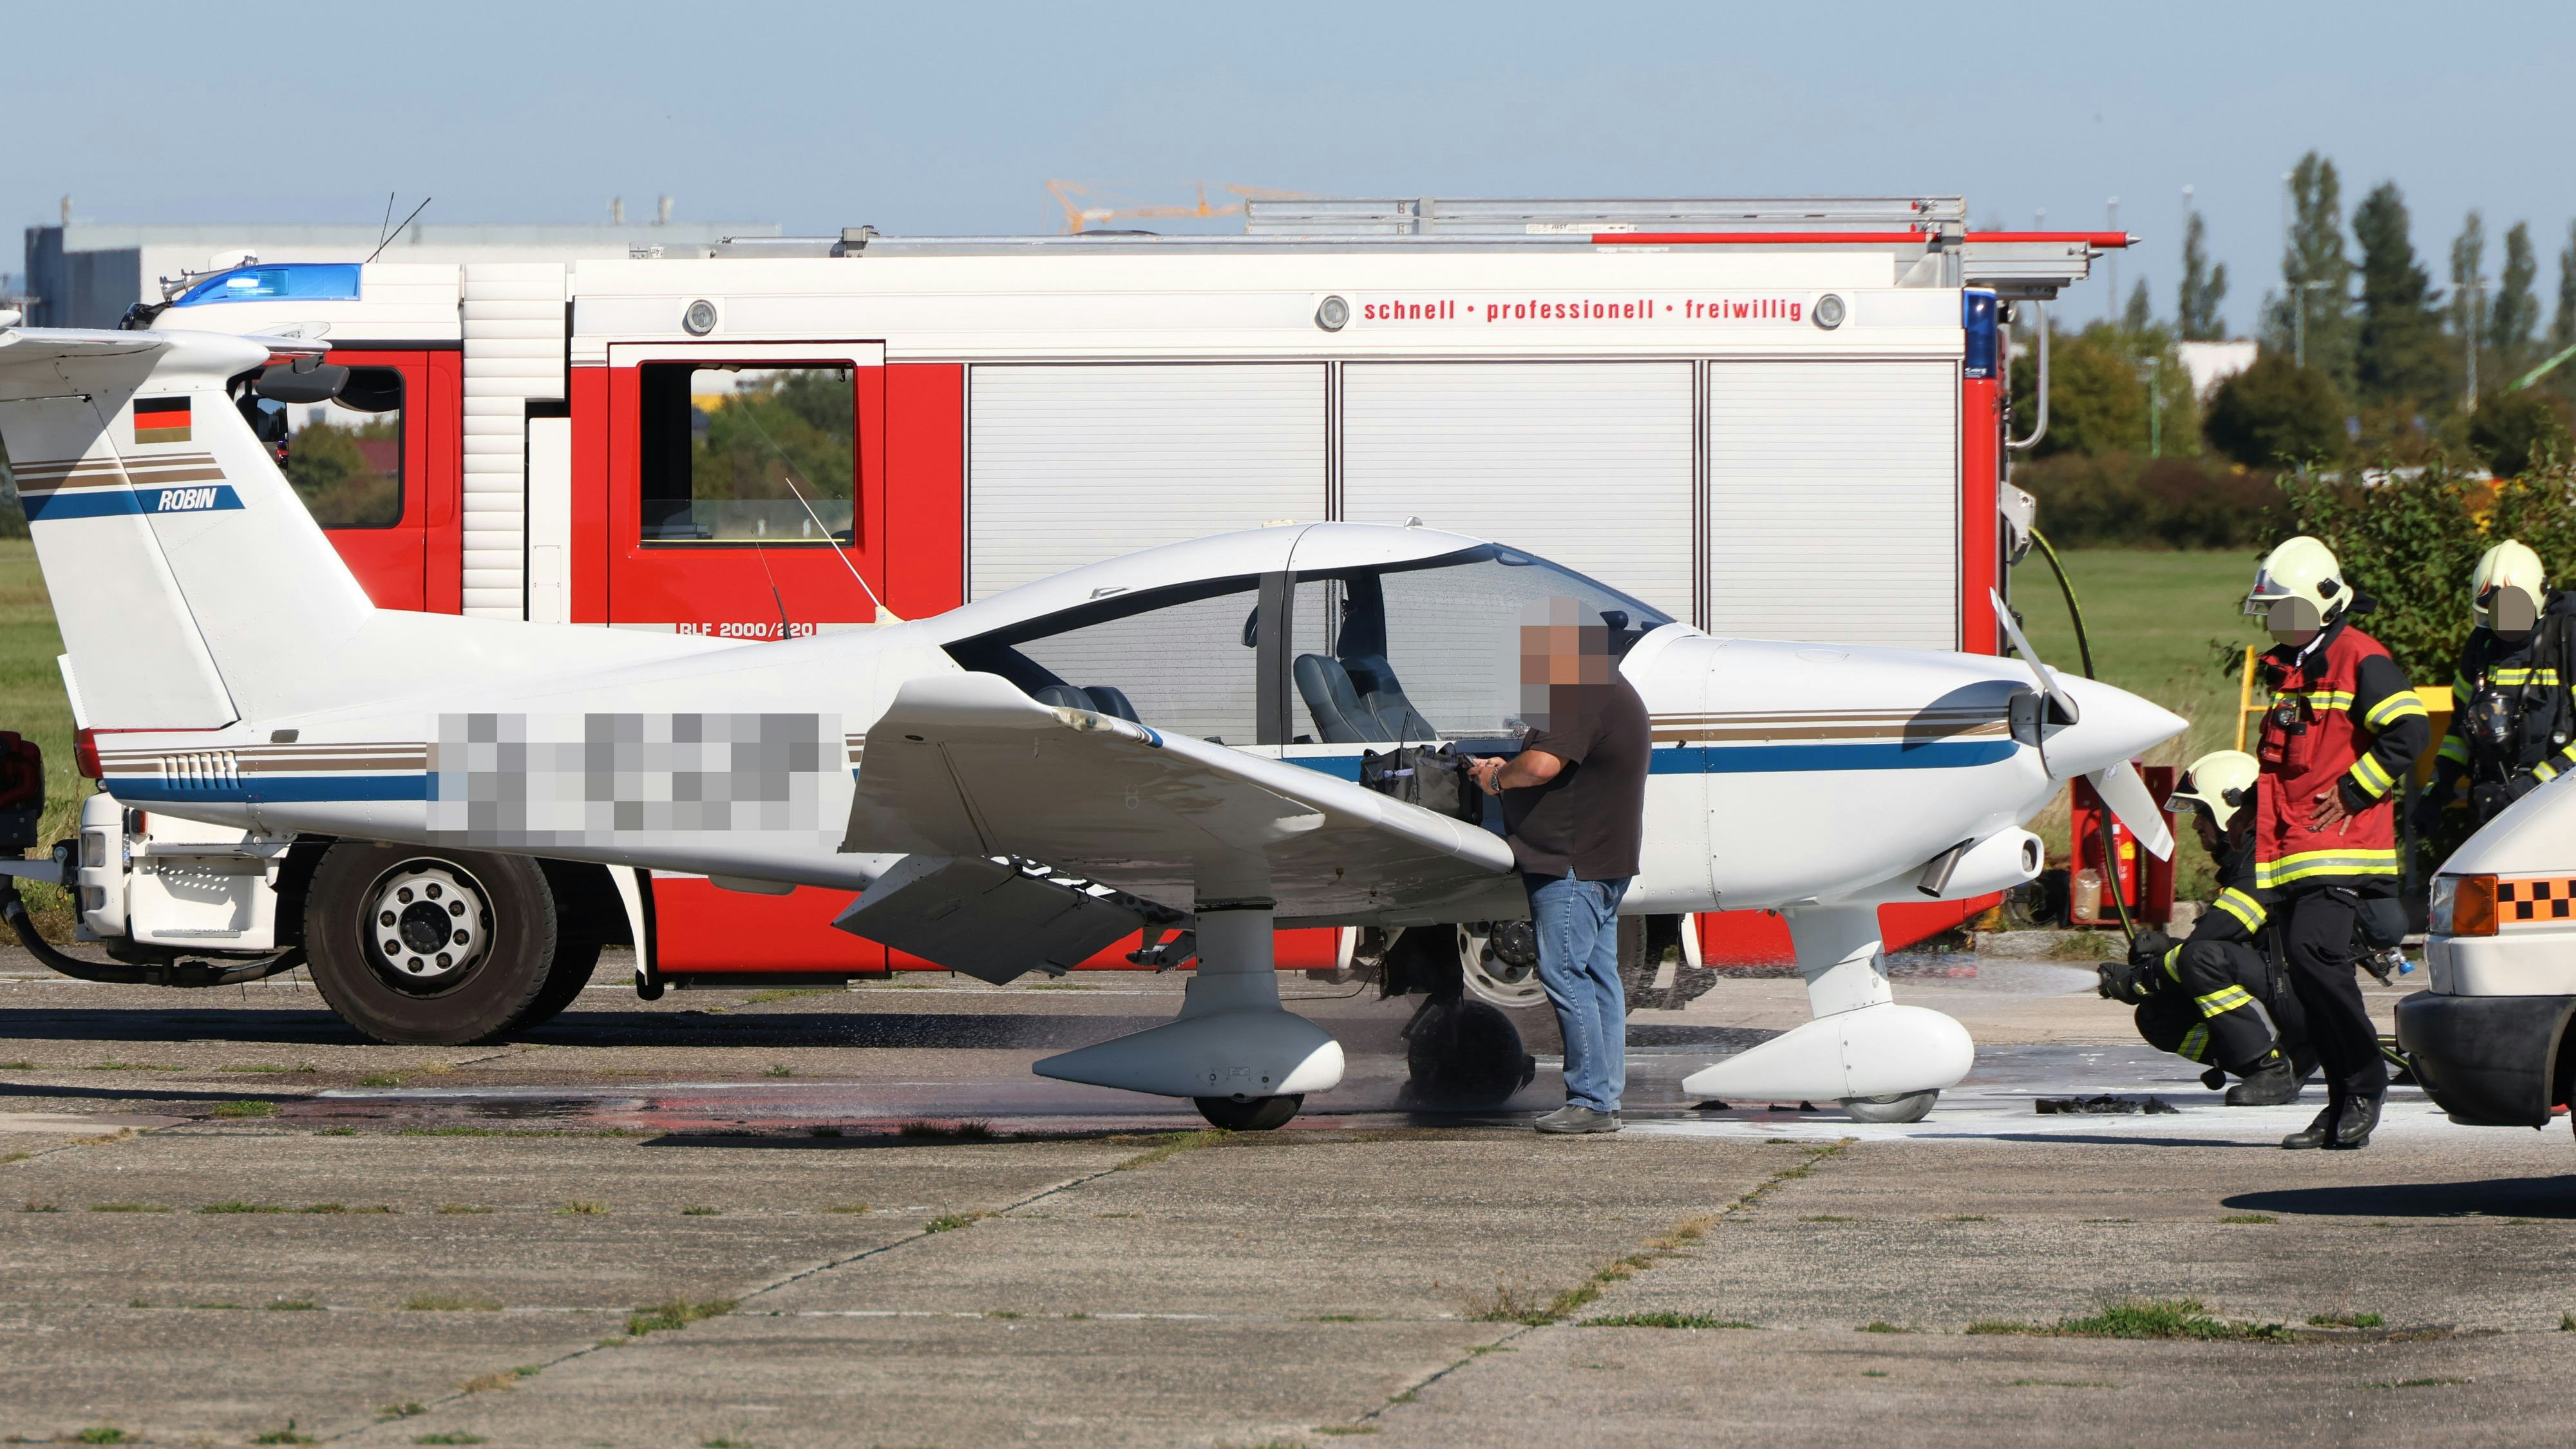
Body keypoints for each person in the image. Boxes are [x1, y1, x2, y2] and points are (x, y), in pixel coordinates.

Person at [2241, 536, 2429, 1151]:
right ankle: (2341, 1102)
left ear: (2321, 604)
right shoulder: (2294, 667)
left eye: (2287, 609)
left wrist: (2353, 790)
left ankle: (2365, 1086)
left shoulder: (2359, 657)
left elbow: (2409, 731)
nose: (2278, 621)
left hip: (2340, 848)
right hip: (2294, 848)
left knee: (2314, 956)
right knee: (2306, 973)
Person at [1470, 596, 1652, 1135]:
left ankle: (1590, 1102)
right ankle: (1603, 1100)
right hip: (1601, 862)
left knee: (1564, 973)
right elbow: (1558, 762)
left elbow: (1543, 766)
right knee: (1597, 979)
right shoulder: (1611, 689)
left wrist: (1495, 778)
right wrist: (1512, 765)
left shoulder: (1579, 691)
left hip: (1570, 866)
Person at [2099, 750, 2309, 1104]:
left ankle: (2270, 1071)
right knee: (2158, 1015)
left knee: (2198, 960)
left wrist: (2142, 977)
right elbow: (2232, 943)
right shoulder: (2245, 863)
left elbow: (2215, 940)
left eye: (2201, 813)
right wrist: (2167, 948)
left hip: (2302, 997)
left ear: (2230, 810)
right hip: (2284, 984)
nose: (2196, 825)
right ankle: (2263, 1062)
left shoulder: (2262, 865)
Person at [2414, 540, 2576, 837]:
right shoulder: (2482, 648)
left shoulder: (2567, 640)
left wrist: (2534, 786)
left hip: (2561, 810)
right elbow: (2460, 729)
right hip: (2498, 811)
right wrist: (2437, 790)